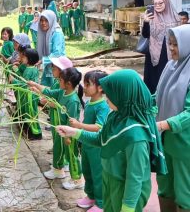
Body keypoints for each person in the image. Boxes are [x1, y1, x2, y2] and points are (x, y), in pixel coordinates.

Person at [56, 69, 167, 212]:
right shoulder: (116, 116)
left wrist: (128, 208)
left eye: (110, 94)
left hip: (126, 192)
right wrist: (74, 132)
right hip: (110, 180)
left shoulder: (136, 137)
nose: (106, 98)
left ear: (124, 95)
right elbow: (101, 138)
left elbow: (135, 177)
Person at [155, 25, 190, 212]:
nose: (172, 48)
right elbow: (158, 96)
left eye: (176, 44)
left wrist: (163, 124)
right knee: (165, 187)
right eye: (170, 44)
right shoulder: (170, 66)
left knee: (185, 193)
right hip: (165, 139)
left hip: (184, 144)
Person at [36, 67, 84, 189]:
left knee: (72, 156)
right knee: (59, 149)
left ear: (68, 83)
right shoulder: (62, 92)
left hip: (68, 133)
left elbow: (72, 121)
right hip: (60, 130)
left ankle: (77, 179)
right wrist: (35, 85)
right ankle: (58, 170)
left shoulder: (73, 101)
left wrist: (68, 136)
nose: (58, 81)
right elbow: (49, 93)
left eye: (60, 79)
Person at [68, 70, 110, 212]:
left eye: (88, 84)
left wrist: (79, 126)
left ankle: (100, 202)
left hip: (96, 147)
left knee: (98, 174)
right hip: (86, 145)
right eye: (84, 84)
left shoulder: (102, 106)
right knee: (87, 171)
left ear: (100, 88)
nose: (84, 87)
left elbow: (99, 127)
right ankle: (90, 195)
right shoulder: (89, 102)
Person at [28, 56, 73, 179]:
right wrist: (37, 90)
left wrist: (45, 102)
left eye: (54, 67)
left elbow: (58, 103)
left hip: (59, 117)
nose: (52, 69)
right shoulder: (57, 82)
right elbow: (50, 94)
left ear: (62, 72)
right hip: (55, 116)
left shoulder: (62, 86)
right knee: (59, 142)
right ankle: (63, 163)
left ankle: (58, 169)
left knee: (59, 143)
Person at [142, 0, 180, 93]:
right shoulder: (150, 17)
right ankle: (154, 101)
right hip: (153, 54)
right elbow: (145, 35)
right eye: (155, 4)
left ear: (166, 2)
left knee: (168, 77)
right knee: (154, 80)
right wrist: (146, 22)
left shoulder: (175, 17)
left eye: (160, 3)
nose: (157, 5)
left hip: (170, 53)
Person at [9, 48, 42, 140]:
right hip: (29, 95)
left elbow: (23, 84)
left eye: (24, 57)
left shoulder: (29, 70)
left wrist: (13, 80)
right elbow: (24, 79)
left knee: (31, 114)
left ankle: (36, 133)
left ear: (29, 59)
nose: (21, 58)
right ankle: (30, 130)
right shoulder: (31, 69)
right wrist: (16, 70)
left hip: (30, 96)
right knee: (28, 113)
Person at [36, 10, 66, 87]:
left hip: (57, 67)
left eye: (46, 20)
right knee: (45, 89)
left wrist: (42, 60)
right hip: (49, 66)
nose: (43, 23)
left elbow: (57, 53)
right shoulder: (47, 32)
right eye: (41, 20)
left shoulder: (56, 33)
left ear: (51, 20)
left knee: (56, 89)